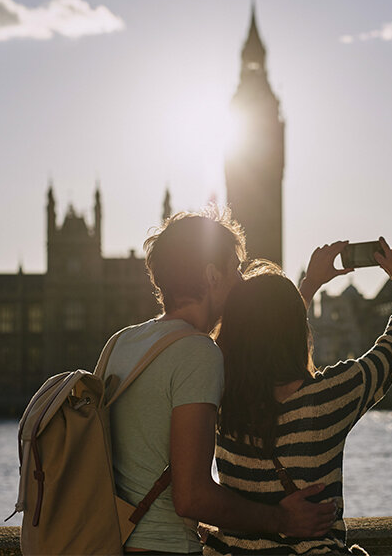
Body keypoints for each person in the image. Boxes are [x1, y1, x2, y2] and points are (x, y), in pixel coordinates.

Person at [104, 207, 337, 554]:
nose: (242, 282)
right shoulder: (198, 354)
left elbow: (267, 343)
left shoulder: (122, 342)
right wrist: (282, 520)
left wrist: (307, 288)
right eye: (236, 270)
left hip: (111, 542)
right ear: (212, 275)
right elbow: (192, 497)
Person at [204, 238, 392, 555]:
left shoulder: (219, 394)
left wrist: (309, 284)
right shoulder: (329, 396)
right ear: (298, 329)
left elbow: (261, 333)